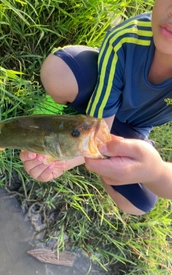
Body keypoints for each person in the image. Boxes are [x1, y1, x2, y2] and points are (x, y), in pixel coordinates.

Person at [20, 0, 172, 215]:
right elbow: (96, 127)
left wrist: (156, 172)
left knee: (137, 205)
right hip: (99, 94)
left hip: (133, 126)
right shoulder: (127, 38)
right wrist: (65, 160)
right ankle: (49, 116)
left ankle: (103, 161)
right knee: (58, 73)